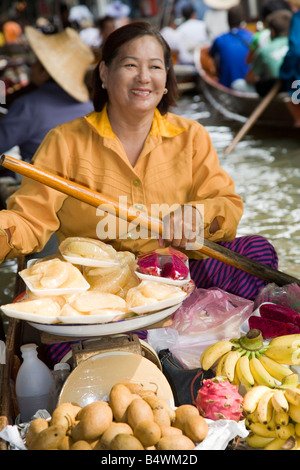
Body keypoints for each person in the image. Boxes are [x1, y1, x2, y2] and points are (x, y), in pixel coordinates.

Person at [0, 22, 278, 364]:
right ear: (104, 72)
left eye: (155, 66)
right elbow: (29, 219)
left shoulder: (191, 136)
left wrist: (197, 214)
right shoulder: (64, 141)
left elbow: (226, 205)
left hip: (174, 279)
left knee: (257, 250)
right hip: (99, 293)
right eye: (130, 65)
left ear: (166, 79)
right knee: (60, 342)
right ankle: (162, 338)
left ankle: (164, 332)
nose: (144, 77)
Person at [0, 26, 94, 173]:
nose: (32, 66)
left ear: (44, 70)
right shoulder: (89, 106)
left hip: (40, 186)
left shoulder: (29, 105)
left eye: (37, 61)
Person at [244, 10, 292, 94]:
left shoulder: (264, 50)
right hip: (293, 91)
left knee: (237, 84)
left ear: (272, 31)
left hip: (275, 93)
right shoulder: (295, 47)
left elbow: (250, 78)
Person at [209, 5, 253, 88]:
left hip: (227, 84)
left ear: (228, 20)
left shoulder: (219, 39)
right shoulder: (251, 36)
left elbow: (210, 55)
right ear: (242, 20)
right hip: (249, 85)